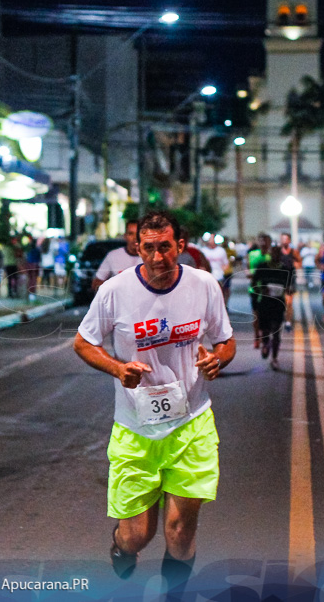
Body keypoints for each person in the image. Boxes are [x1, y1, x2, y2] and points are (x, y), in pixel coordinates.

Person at [73, 210, 236, 591]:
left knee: (179, 533)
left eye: (166, 247)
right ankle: (122, 545)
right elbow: (83, 342)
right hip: (135, 428)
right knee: (138, 535)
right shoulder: (115, 291)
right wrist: (117, 368)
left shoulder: (203, 285)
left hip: (191, 423)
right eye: (148, 248)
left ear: (180, 245)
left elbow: (225, 340)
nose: (158, 256)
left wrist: (218, 359)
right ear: (137, 247)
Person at [251, 246, 291, 369]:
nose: (276, 256)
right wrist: (262, 290)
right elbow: (253, 284)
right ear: (270, 254)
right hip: (265, 302)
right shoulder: (263, 267)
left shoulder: (285, 270)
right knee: (266, 330)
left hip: (278, 303)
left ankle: (274, 358)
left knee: (276, 331)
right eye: (273, 253)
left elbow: (289, 288)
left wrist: (285, 290)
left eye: (278, 254)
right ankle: (265, 344)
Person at [93, 220, 141, 291]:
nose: (135, 238)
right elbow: (96, 283)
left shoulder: (152, 257)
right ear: (125, 236)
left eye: (137, 234)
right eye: (131, 234)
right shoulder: (113, 256)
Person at [247, 234, 273, 349]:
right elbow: (247, 268)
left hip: (269, 290)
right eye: (261, 241)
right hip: (255, 289)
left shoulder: (272, 256)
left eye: (265, 241)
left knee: (267, 315)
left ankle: (266, 336)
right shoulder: (252, 254)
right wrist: (249, 273)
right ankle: (257, 336)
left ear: (269, 242)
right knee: (256, 315)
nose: (263, 243)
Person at [201, 234, 231, 304]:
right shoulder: (203, 251)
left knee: (219, 294)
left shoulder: (221, 251)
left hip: (218, 277)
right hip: (207, 277)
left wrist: (222, 271)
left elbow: (226, 263)